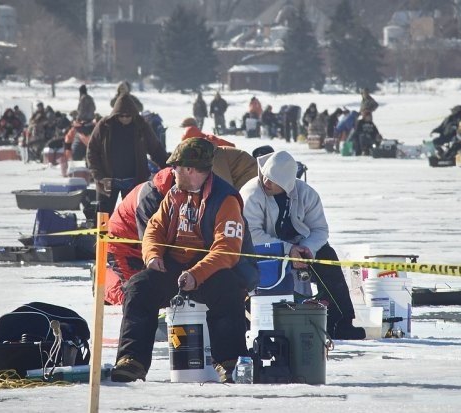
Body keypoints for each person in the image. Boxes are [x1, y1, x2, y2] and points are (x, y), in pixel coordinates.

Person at [111, 138, 254, 383]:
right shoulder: (174, 194)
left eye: (175, 166)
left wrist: (196, 274)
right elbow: (154, 228)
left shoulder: (226, 200)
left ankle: (229, 361)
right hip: (174, 266)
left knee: (228, 289)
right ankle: (132, 360)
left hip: (211, 268)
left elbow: (227, 250)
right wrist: (153, 255)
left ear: (189, 169)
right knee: (138, 287)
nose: (171, 171)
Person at [240, 151, 365, 340]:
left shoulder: (307, 194)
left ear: (287, 184)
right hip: (263, 251)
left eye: (273, 180)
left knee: (328, 257)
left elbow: (320, 229)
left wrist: (308, 250)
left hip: (300, 247)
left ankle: (341, 322)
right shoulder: (251, 193)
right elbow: (251, 234)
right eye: (265, 176)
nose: (266, 182)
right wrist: (288, 250)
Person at [87, 94, 167, 214]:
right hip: (108, 181)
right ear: (115, 114)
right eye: (121, 116)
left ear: (133, 115)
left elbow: (155, 149)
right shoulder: (104, 126)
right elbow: (92, 151)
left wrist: (168, 166)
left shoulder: (141, 126)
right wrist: (98, 175)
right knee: (103, 218)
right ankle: (104, 234)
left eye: (128, 116)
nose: (124, 118)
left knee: (133, 217)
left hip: (134, 181)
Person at [105, 167, 175, 305]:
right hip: (122, 246)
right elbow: (151, 239)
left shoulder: (178, 189)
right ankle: (104, 280)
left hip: (140, 243)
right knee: (133, 295)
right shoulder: (150, 198)